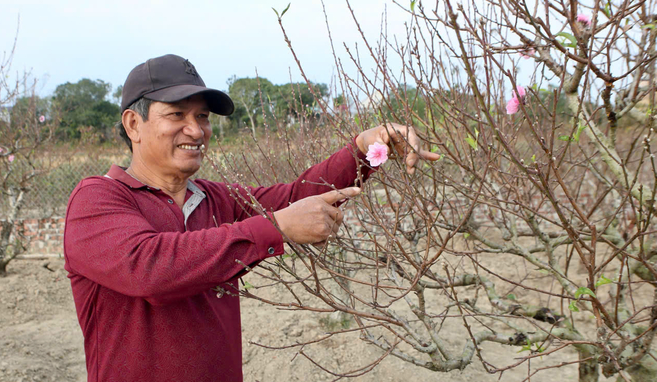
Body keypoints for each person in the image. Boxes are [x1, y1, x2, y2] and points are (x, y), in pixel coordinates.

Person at [63, 54, 439, 382]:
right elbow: (149, 269)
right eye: (177, 114)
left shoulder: (214, 198)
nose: (196, 130)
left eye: (202, 117)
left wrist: (363, 147)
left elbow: (294, 199)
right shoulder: (98, 199)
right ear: (133, 125)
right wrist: (275, 228)